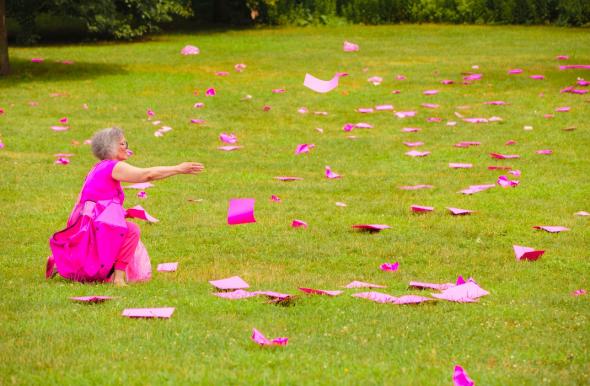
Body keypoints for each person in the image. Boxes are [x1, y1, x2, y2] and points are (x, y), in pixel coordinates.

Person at [49, 127, 204, 286]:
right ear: (111, 147)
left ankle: (65, 261)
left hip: (87, 225)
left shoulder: (97, 168)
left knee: (122, 228)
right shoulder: (113, 166)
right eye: (123, 143)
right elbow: (146, 175)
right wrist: (178, 169)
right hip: (93, 227)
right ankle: (118, 278)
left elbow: (87, 202)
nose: (127, 147)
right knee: (130, 230)